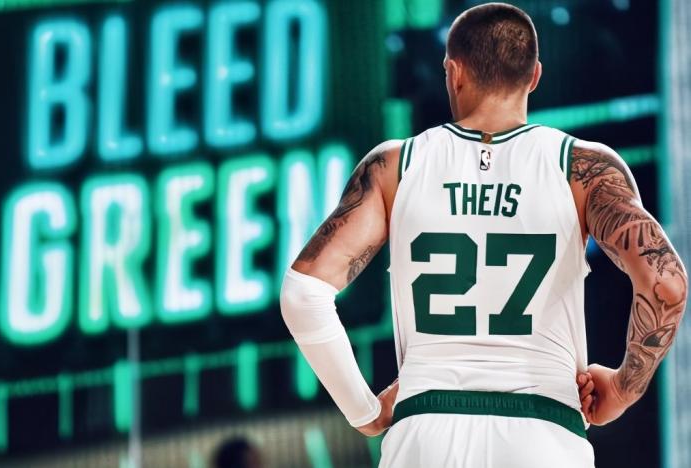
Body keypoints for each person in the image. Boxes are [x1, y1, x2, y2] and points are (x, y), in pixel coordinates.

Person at [279, 2, 687, 467]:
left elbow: (303, 295)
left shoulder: (394, 166)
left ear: (453, 73)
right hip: (544, 432)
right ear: (535, 76)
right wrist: (623, 388)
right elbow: (666, 283)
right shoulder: (583, 168)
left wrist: (366, 412)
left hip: (426, 432)